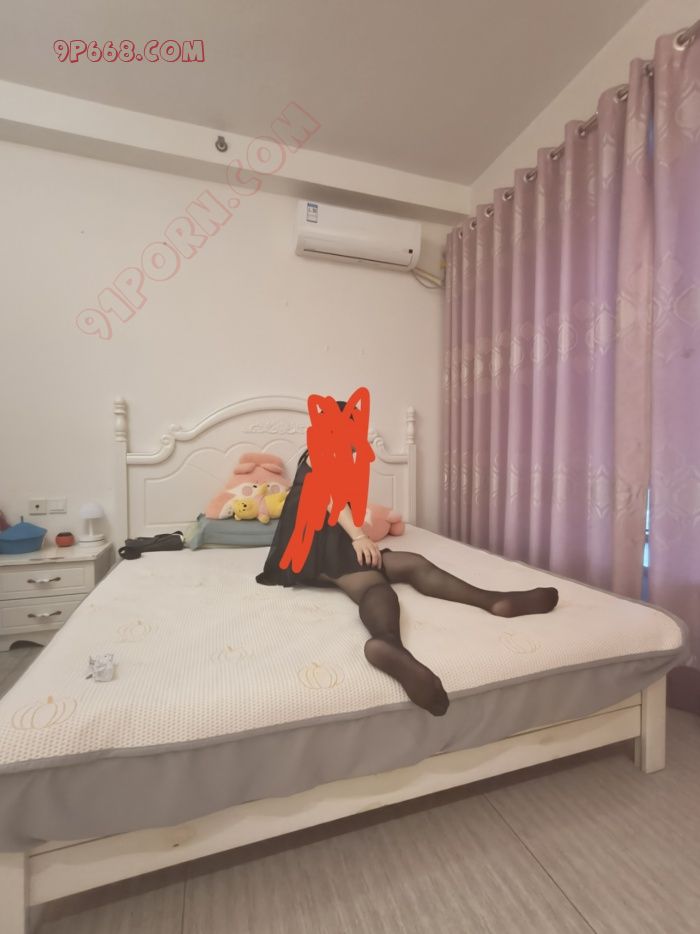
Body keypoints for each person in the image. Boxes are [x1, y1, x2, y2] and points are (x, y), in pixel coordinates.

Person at [257, 400, 558, 716]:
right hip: (308, 552)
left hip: (329, 541)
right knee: (375, 586)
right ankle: (387, 643)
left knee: (414, 563)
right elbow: (330, 496)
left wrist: (358, 534)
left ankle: (494, 601)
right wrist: (359, 537)